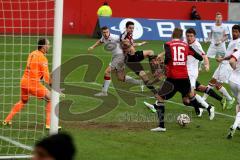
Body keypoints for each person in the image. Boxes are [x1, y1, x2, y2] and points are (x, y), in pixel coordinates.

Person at [144, 28, 214, 132]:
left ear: (172, 35)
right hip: (185, 77)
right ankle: (205, 108)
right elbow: (199, 57)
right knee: (191, 95)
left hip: (173, 78)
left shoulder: (168, 44)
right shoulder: (186, 45)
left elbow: (167, 59)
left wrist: (160, 64)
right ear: (182, 36)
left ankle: (161, 126)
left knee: (160, 97)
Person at [3, 38, 57, 129]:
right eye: (48, 44)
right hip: (33, 84)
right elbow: (47, 76)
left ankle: (6, 120)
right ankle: (49, 124)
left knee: (23, 101)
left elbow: (33, 68)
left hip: (24, 82)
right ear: (43, 46)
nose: (49, 46)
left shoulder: (32, 53)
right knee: (51, 99)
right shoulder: (43, 58)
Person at [88, 26, 142, 96]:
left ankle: (104, 92)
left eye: (107, 32)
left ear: (109, 31)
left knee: (107, 72)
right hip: (115, 57)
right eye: (104, 32)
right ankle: (139, 82)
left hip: (120, 56)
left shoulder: (115, 37)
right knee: (120, 77)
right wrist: (93, 46)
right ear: (102, 33)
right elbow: (100, 41)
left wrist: (138, 44)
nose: (106, 34)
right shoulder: (103, 38)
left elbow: (127, 42)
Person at [184, 28, 225, 114]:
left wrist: (207, 65)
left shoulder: (197, 45)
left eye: (191, 36)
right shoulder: (184, 42)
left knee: (188, 97)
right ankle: (218, 100)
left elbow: (204, 56)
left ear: (194, 36)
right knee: (199, 88)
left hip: (192, 72)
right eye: (188, 36)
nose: (189, 38)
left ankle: (206, 107)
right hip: (184, 71)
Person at [203, 24, 239, 109]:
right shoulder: (232, 40)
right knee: (212, 81)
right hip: (223, 63)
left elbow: (234, 55)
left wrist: (222, 58)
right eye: (233, 31)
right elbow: (229, 52)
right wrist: (222, 58)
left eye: (236, 32)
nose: (234, 33)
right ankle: (203, 100)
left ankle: (230, 99)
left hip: (227, 65)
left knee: (217, 84)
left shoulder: (238, 42)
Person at [227, 50, 240, 139]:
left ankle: (238, 124)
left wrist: (235, 68)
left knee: (238, 103)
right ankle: (235, 125)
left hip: (232, 80)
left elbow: (231, 61)